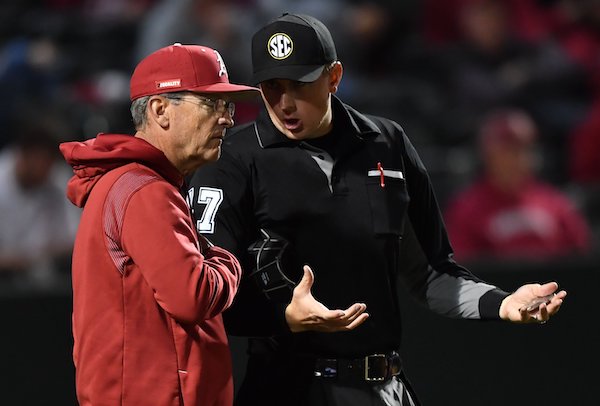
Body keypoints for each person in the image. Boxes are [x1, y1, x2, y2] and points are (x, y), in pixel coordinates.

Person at [187, 13, 566, 406]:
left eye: (299, 85)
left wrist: (501, 303)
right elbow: (207, 295)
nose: (284, 103)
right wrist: (281, 316)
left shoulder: (387, 143)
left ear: (334, 77)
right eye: (271, 87)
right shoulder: (231, 160)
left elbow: (432, 273)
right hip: (286, 386)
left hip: (384, 386)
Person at [59, 43, 259, 406]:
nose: (228, 118)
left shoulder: (138, 183)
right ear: (160, 109)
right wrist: (229, 260)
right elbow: (192, 297)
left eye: (227, 106)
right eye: (211, 104)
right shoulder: (144, 190)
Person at [444, 108, 591, 262]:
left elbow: (581, 258)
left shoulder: (556, 203)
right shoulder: (466, 209)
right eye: (509, 149)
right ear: (488, 153)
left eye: (525, 148)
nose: (519, 157)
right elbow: (464, 269)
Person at [0, 126, 78, 289]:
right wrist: (17, 260)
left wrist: (38, 256)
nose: (47, 169)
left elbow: (76, 239)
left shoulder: (57, 179)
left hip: (47, 275)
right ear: (24, 156)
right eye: (42, 161)